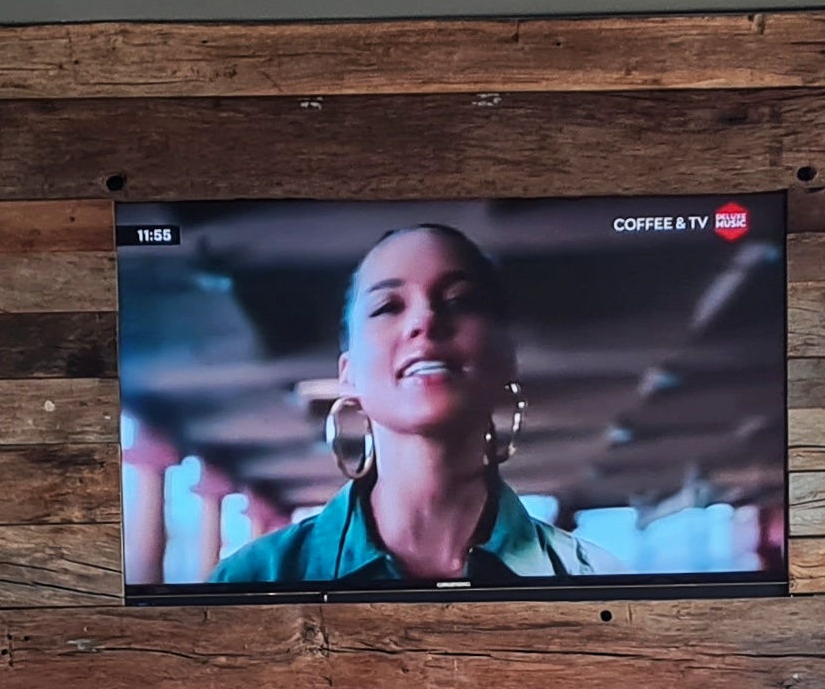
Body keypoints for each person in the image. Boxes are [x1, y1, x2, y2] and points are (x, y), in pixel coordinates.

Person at [215, 224, 593, 585]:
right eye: (387, 306)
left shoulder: (589, 575)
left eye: (460, 300)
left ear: (505, 359)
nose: (426, 320)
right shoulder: (251, 580)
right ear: (348, 374)